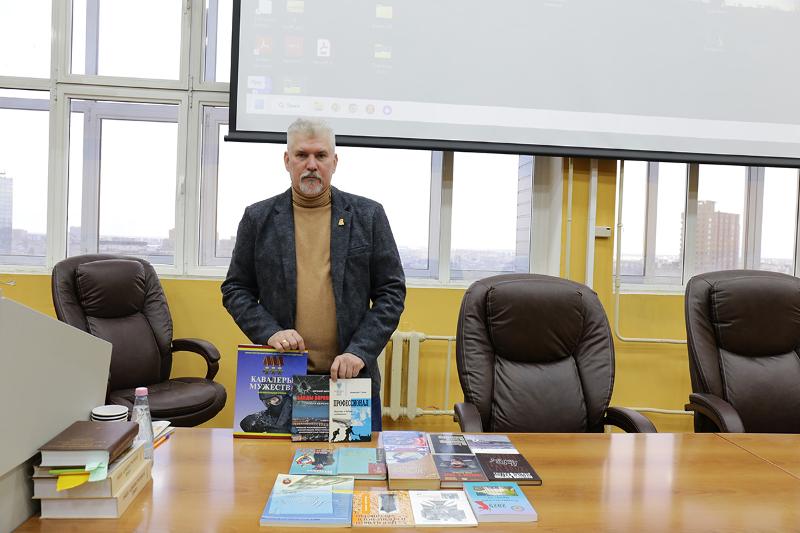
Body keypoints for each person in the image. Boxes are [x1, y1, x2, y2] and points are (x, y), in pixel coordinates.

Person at [221, 117, 406, 432]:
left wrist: (359, 351)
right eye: (301, 155)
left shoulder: (368, 216)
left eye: (320, 155)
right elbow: (236, 289)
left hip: (350, 380)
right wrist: (269, 332)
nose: (311, 165)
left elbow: (391, 292)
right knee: (278, 464)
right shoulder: (258, 218)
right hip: (284, 381)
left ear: (334, 161)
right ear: (287, 160)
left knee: (354, 462)